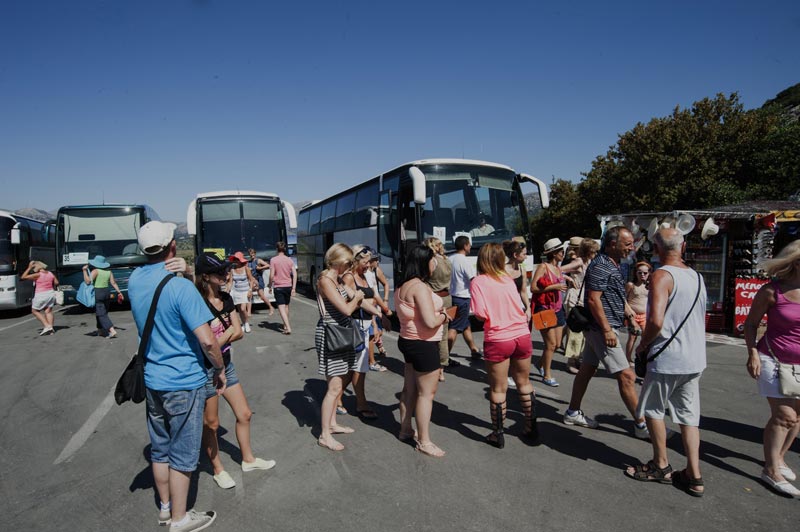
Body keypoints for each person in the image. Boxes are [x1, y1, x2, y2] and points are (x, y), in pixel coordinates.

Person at [128, 221, 226, 532]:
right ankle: (180, 519)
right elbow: (208, 339)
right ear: (172, 246)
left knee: (160, 448)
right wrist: (220, 369)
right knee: (184, 454)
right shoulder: (180, 286)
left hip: (153, 378)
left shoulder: (134, 280)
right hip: (184, 380)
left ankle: (165, 508)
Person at [624, 228, 707, 497]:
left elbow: (656, 321)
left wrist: (643, 346)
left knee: (653, 410)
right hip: (694, 357)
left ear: (657, 250)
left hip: (667, 357)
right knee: (689, 417)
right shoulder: (696, 276)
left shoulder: (661, 275)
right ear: (682, 247)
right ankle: (694, 474)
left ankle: (661, 464)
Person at [195, 252, 276, 491]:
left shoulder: (226, 298)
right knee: (211, 424)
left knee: (245, 414)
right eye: (220, 272)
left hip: (226, 366)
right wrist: (223, 336)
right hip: (205, 371)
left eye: (226, 270)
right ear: (206, 276)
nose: (226, 274)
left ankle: (248, 460)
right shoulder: (198, 304)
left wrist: (221, 335)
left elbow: (238, 331)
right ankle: (218, 468)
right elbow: (204, 346)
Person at [562, 226, 650, 439]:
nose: (631, 248)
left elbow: (615, 297)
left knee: (587, 370)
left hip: (599, 328)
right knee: (627, 376)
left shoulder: (612, 263)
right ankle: (642, 426)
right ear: (612, 244)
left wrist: (628, 316)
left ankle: (573, 412)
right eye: (627, 244)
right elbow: (593, 299)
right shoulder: (602, 265)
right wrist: (608, 330)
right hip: (601, 329)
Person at [744, 239, 800, 498]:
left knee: (797, 418)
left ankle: (779, 458)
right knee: (785, 416)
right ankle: (770, 470)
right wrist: (752, 352)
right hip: (773, 359)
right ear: (796, 263)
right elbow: (751, 324)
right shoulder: (771, 291)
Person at [471, 243, 538, 448]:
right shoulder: (507, 278)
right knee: (524, 382)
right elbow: (519, 304)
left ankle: (498, 434)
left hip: (499, 337)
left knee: (499, 389)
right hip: (521, 333)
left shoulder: (478, 282)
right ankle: (531, 427)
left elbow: (481, 314)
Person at [396, 245, 451, 457]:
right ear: (423, 262)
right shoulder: (420, 287)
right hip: (424, 344)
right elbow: (429, 321)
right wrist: (445, 316)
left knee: (409, 388)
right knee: (426, 394)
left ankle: (405, 429)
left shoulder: (402, 285)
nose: (434, 263)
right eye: (431, 260)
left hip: (408, 341)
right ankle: (424, 441)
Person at [315, 243, 365, 452]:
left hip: (341, 334)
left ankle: (333, 424)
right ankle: (324, 434)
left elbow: (353, 297)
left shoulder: (334, 280)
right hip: (332, 335)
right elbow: (346, 309)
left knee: (339, 381)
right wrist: (358, 298)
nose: (349, 267)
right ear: (339, 261)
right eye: (348, 263)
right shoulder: (326, 280)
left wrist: (381, 311)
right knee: (335, 386)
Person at [340, 245, 389, 419]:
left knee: (356, 367)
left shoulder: (363, 276)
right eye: (365, 262)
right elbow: (346, 303)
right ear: (355, 260)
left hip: (366, 323)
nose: (369, 265)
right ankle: (360, 404)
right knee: (358, 367)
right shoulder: (348, 277)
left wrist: (377, 320)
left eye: (369, 262)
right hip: (354, 325)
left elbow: (372, 297)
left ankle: (336, 397)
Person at [530, 238, 575, 387]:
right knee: (550, 345)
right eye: (561, 251)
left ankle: (540, 364)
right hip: (544, 309)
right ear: (554, 253)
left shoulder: (558, 268)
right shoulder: (543, 267)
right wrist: (554, 287)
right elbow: (533, 288)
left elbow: (560, 277)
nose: (564, 253)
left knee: (556, 345)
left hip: (557, 309)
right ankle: (547, 375)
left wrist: (567, 279)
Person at [562, 238, 600, 374]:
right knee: (575, 331)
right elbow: (557, 270)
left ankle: (577, 358)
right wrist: (568, 278)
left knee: (584, 331)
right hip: (575, 296)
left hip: (584, 296)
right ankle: (571, 361)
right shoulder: (578, 261)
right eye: (593, 251)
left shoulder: (589, 261)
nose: (595, 253)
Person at [424, 237, 454, 382]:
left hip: (435, 297)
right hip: (447, 296)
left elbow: (426, 278)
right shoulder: (447, 260)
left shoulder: (432, 261)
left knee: (433, 333)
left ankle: (435, 367)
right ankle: (442, 368)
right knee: (444, 333)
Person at [502, 239, 531, 387]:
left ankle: (514, 372)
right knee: (507, 343)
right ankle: (505, 373)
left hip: (519, 311)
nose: (526, 257)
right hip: (505, 312)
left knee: (518, 344)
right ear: (515, 254)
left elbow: (524, 291)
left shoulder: (522, 269)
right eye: (524, 254)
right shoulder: (502, 270)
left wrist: (528, 308)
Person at [448, 235, 481, 359]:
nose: (470, 247)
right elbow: (473, 280)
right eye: (469, 244)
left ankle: (473, 349)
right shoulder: (464, 261)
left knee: (466, 325)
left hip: (453, 296)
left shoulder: (450, 259)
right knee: (455, 328)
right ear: (465, 246)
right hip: (463, 298)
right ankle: (444, 357)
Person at [82, 255, 123, 338]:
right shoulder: (109, 271)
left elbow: (88, 281)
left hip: (98, 292)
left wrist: (84, 271)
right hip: (106, 292)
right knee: (101, 311)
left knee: (101, 313)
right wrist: (119, 292)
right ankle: (100, 330)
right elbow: (113, 283)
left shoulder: (96, 271)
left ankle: (111, 330)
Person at [364, 254, 389, 369]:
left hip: (376, 305)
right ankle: (371, 361)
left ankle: (376, 348)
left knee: (378, 331)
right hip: (369, 306)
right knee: (372, 333)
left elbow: (385, 284)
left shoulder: (376, 271)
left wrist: (385, 302)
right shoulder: (364, 274)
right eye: (374, 260)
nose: (377, 262)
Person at [21, 260, 59, 335]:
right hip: (50, 293)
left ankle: (47, 326)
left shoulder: (37, 275)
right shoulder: (50, 273)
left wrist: (28, 268)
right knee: (48, 311)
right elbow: (56, 282)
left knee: (34, 311)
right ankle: (51, 329)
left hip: (41, 294)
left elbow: (23, 277)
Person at [625, 262, 651, 364]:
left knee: (646, 337)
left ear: (649, 273)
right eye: (640, 273)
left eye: (645, 273)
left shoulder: (649, 286)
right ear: (635, 273)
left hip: (645, 316)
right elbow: (623, 299)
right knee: (632, 337)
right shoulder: (631, 285)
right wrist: (629, 312)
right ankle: (628, 359)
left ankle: (643, 358)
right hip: (633, 315)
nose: (642, 275)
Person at [269, 241, 297, 335]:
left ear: (277, 249)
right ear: (285, 249)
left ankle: (288, 327)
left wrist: (269, 285)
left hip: (278, 286)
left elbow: (272, 275)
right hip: (288, 286)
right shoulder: (289, 260)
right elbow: (295, 273)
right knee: (286, 306)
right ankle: (285, 325)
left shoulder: (273, 260)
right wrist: (294, 287)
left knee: (281, 307)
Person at [228, 251, 257, 333]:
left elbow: (251, 280)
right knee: (240, 310)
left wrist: (250, 290)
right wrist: (228, 290)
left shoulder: (246, 268)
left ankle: (246, 323)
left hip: (245, 291)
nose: (235, 261)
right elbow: (230, 282)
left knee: (243, 308)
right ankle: (244, 324)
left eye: (237, 259)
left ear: (240, 260)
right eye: (235, 259)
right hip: (236, 292)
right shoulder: (232, 270)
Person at [247, 248, 274, 317]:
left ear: (255, 254)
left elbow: (268, 265)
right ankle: (249, 312)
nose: (252, 255)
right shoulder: (249, 262)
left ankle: (271, 307)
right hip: (252, 280)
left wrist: (260, 268)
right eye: (250, 254)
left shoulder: (258, 260)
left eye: (253, 253)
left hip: (259, 279)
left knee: (261, 295)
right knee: (249, 295)